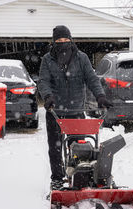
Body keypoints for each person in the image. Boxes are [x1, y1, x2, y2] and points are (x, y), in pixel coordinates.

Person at [38, 25, 112, 190]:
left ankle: (80, 173)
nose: (62, 43)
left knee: (79, 144)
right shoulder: (47, 60)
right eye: (59, 40)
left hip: (76, 110)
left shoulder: (81, 58)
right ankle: (57, 179)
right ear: (53, 42)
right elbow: (43, 81)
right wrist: (48, 97)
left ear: (71, 40)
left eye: (65, 39)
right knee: (55, 147)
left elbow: (92, 79)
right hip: (55, 111)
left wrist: (100, 96)